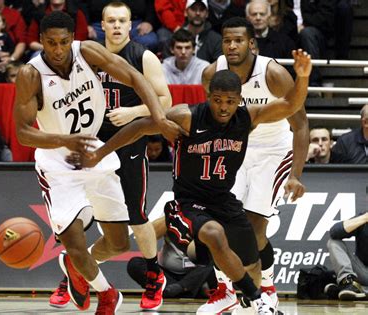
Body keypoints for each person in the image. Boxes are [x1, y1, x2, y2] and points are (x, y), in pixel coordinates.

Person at [67, 49, 312, 315]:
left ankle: (253, 302)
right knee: (214, 234)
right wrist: (100, 154)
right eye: (218, 100)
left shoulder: (246, 118)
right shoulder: (187, 117)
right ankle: (253, 297)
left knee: (252, 261)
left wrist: (303, 77)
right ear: (209, 98)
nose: (223, 107)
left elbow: (290, 105)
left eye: (230, 102)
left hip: (223, 199)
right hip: (187, 204)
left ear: (239, 100)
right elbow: (138, 127)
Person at [13, 11, 182, 315]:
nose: (58, 49)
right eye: (51, 43)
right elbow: (23, 133)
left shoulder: (87, 52)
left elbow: (134, 77)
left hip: (95, 152)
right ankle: (106, 294)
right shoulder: (31, 74)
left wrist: (157, 116)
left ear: (72, 39)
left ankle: (77, 267)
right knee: (73, 240)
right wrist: (64, 140)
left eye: (64, 42)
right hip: (56, 164)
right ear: (41, 42)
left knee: (117, 244)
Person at [201, 17, 309, 311]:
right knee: (221, 225)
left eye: (238, 40)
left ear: (251, 43)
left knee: (254, 227)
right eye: (227, 40)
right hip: (235, 151)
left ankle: (268, 290)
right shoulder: (213, 73)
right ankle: (226, 291)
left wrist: (296, 175)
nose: (232, 46)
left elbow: (300, 124)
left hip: (272, 152)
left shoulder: (272, 72)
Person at [127, 216, 217, 298]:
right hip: (167, 274)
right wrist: (171, 216)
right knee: (135, 264)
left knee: (214, 261)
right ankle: (182, 291)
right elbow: (150, 235)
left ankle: (177, 289)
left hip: (196, 276)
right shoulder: (173, 211)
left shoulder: (212, 216)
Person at [325, 212, 368, 300]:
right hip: (363, 272)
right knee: (334, 242)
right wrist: (364, 218)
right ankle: (347, 283)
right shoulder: (364, 219)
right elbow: (334, 232)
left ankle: (361, 289)